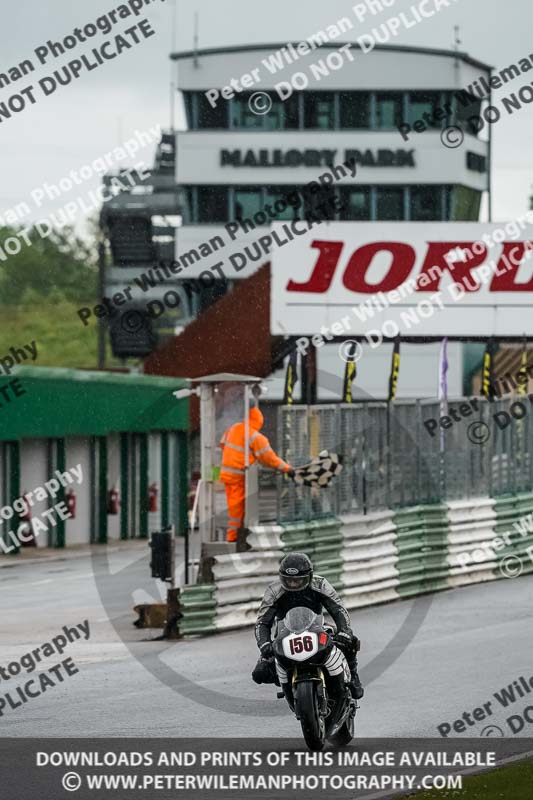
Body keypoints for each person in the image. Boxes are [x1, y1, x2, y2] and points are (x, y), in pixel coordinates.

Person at [252, 552, 364, 699]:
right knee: (260, 672)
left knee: (350, 641)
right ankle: (287, 683)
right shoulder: (274, 590)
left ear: (309, 577)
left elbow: (338, 610)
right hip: (285, 633)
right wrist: (264, 644)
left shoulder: (320, 584)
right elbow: (262, 622)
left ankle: (353, 675)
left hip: (317, 627)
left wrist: (345, 632)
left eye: (297, 580)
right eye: (288, 580)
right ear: (281, 578)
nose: (292, 584)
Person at [219, 407, 294, 543]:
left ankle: (236, 536)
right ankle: (233, 539)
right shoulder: (255, 436)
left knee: (234, 508)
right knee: (238, 510)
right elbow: (269, 458)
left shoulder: (234, 428)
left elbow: (222, 444)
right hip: (240, 477)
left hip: (226, 475)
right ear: (259, 421)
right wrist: (287, 468)